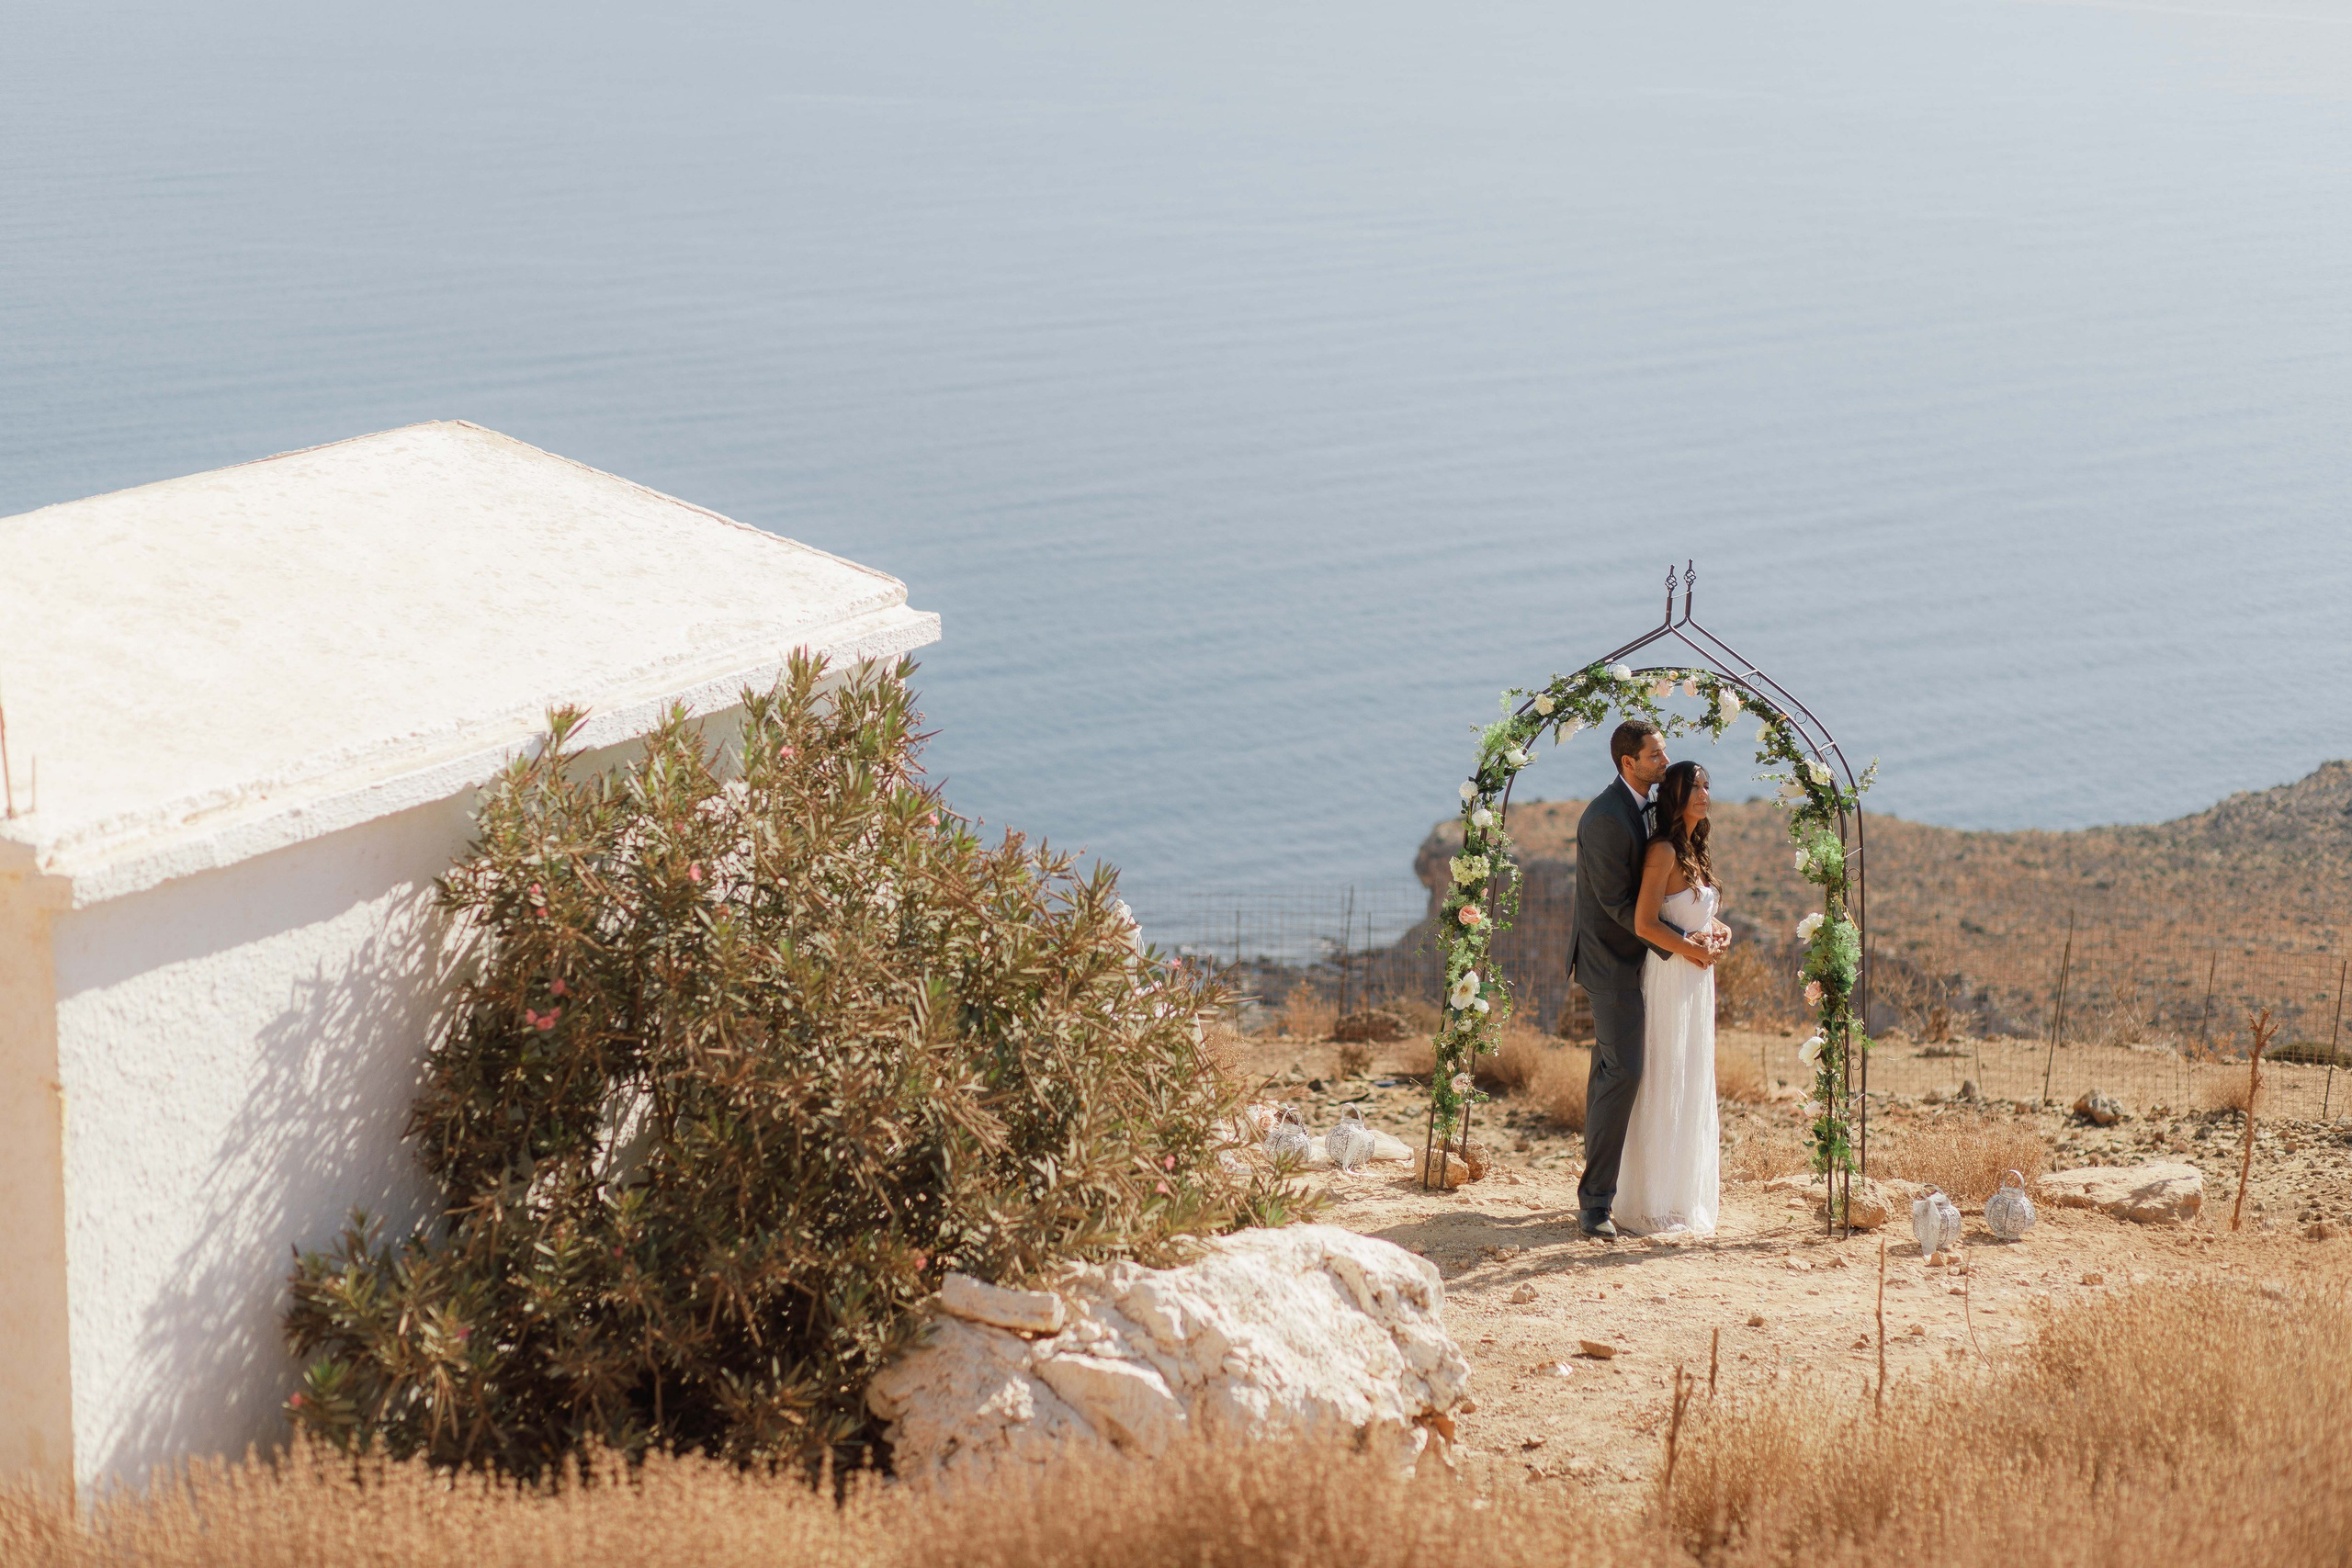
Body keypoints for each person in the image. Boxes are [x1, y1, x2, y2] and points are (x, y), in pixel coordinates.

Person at [1611, 759, 1732, 1236]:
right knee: (1666, 1078)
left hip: (1698, 980)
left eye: (1707, 783)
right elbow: (1645, 924)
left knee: (1692, 1077)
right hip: (1671, 978)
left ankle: (1681, 1196)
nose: (1705, 792)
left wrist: (1720, 936)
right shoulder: (1661, 851)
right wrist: (1693, 950)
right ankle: (1650, 1200)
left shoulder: (1694, 850)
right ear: (1675, 796)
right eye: (1695, 786)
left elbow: (1699, 917)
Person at [1569, 719, 1670, 1238]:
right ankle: (1595, 1206)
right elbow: (1616, 904)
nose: (1663, 762)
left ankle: (1615, 1188)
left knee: (1610, 1069)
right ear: (1627, 762)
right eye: (1655, 755)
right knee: (1624, 1072)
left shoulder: (1645, 806)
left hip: (1640, 961)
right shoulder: (1607, 818)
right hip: (1612, 964)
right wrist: (1677, 943)